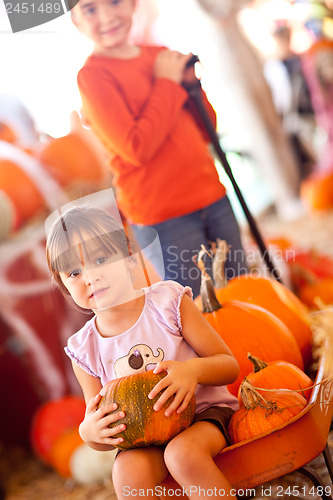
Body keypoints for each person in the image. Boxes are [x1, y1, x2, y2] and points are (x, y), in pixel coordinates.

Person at [46, 205, 240, 500]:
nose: (90, 277)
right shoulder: (84, 349)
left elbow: (229, 366)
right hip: (144, 440)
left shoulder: (168, 303)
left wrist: (192, 371)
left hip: (204, 416)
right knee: (126, 473)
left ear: (128, 256)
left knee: (182, 454)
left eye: (100, 259)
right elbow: (101, 421)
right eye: (74, 271)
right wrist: (90, 433)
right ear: (63, 285)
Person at [69, 0, 247, 297]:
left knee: (243, 289)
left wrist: (192, 87)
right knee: (196, 304)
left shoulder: (160, 56)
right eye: (89, 9)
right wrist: (167, 83)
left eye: (115, 2)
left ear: (133, 3)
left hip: (212, 196)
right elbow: (135, 148)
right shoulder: (93, 76)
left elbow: (207, 131)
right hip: (164, 216)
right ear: (76, 22)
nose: (107, 16)